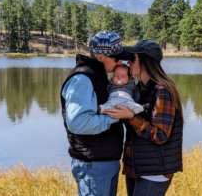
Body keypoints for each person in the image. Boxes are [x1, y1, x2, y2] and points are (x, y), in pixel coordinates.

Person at [104, 40, 184, 196]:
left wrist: (131, 117)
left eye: (133, 59)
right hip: (137, 167)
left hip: (155, 171)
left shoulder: (162, 90)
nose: (129, 63)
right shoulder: (139, 88)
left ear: (145, 61)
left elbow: (160, 135)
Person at [60, 31, 132, 196]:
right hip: (92, 165)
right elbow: (78, 123)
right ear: (101, 57)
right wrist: (115, 116)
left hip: (104, 163)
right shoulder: (82, 79)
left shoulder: (98, 76)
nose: (121, 61)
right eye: (117, 58)